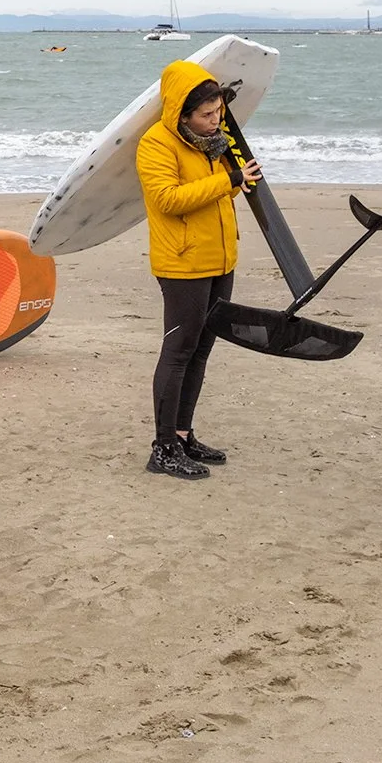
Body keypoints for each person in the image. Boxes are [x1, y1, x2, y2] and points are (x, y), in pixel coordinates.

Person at [135, 62, 264, 480]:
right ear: (182, 114)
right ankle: (163, 448)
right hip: (182, 264)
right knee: (178, 352)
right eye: (207, 115)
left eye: (219, 112)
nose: (216, 120)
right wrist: (230, 180)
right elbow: (169, 199)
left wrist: (237, 183)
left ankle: (183, 434)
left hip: (220, 260)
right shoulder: (156, 144)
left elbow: (217, 196)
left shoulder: (215, 143)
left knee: (201, 351)